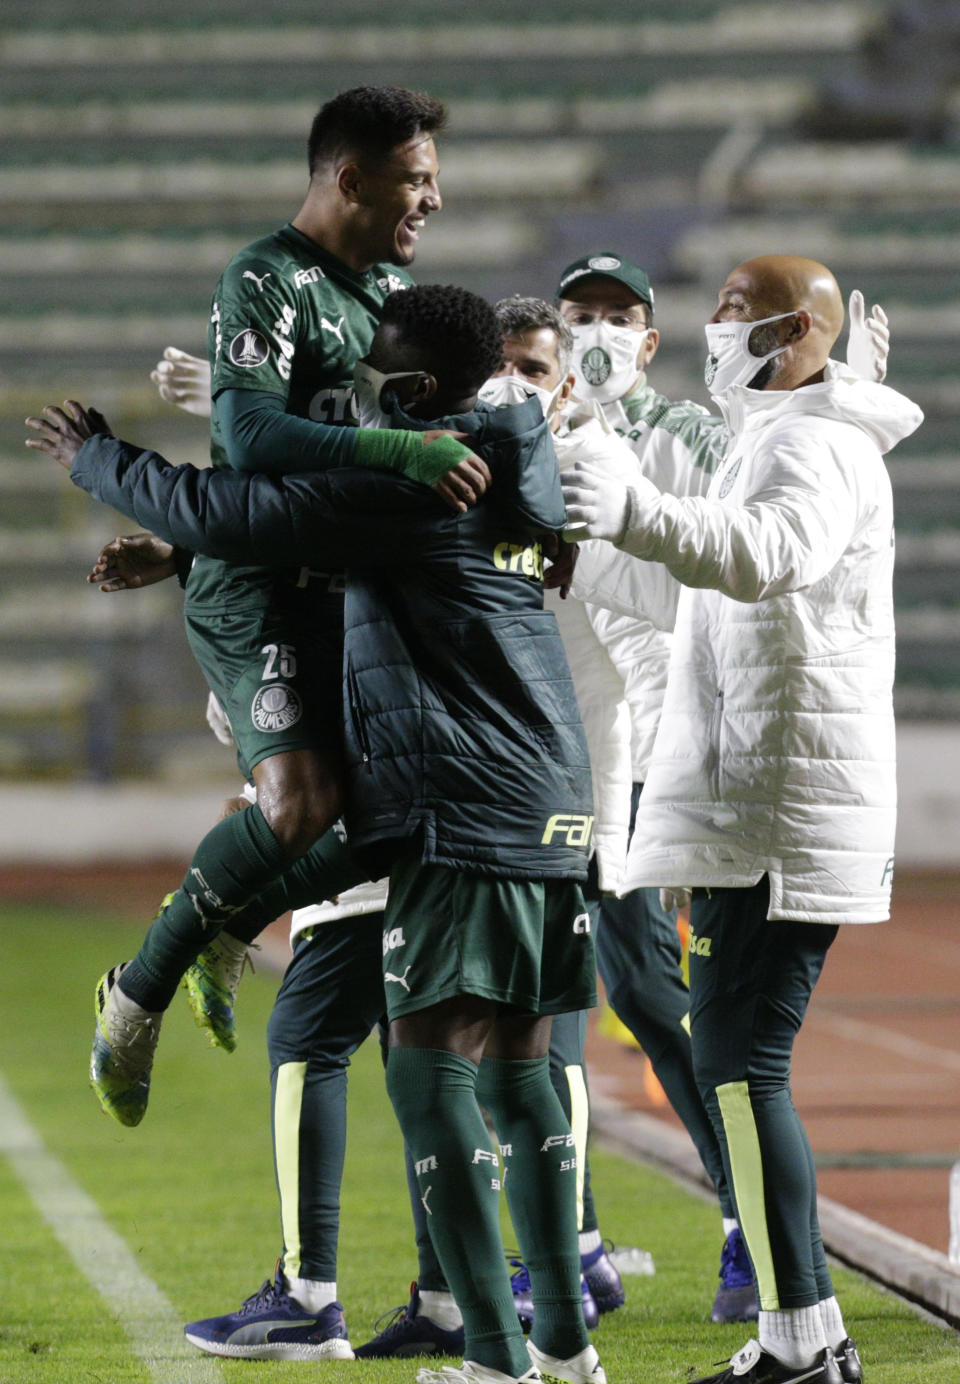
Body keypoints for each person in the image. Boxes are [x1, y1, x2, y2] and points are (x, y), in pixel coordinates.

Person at [28, 282, 607, 1384]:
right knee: (525, 1076)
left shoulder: (428, 469)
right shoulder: (519, 445)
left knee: (430, 1074)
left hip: (458, 798)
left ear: (421, 387)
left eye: (380, 376)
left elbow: (246, 513)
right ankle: (568, 1355)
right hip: (552, 796)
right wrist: (191, 556)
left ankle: (494, 1357)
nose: (363, 398)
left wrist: (101, 460)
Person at [75, 85, 492, 1131]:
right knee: (302, 805)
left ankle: (228, 919)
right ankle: (134, 997)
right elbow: (256, 442)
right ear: (351, 178)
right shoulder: (263, 279)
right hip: (257, 589)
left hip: (339, 586)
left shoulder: (387, 288)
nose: (433, 199)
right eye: (417, 178)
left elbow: (334, 453)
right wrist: (396, 448)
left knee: (407, 814)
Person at [561, 254, 922, 1384]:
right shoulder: (779, 438)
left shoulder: (810, 445)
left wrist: (634, 504)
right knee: (735, 1060)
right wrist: (595, 550)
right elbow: (694, 590)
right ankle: (796, 1333)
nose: (715, 323)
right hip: (756, 794)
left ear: (796, 329)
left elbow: (767, 557)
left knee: (741, 1063)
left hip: (777, 798)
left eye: (731, 307)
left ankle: (803, 1337)